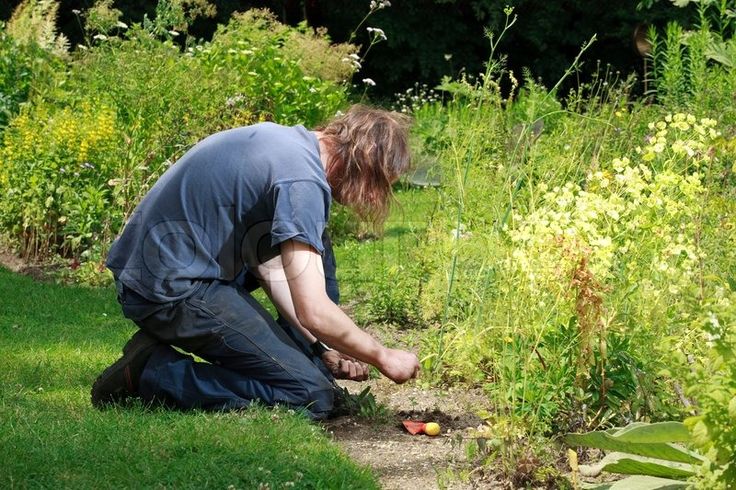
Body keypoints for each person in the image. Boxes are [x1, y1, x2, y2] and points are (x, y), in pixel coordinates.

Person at [91, 104, 420, 419]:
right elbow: (313, 310)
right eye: (381, 184)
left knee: (317, 246)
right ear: (365, 166)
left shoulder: (291, 145)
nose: (374, 197)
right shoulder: (302, 185)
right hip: (171, 292)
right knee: (309, 397)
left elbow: (272, 268)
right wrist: (383, 356)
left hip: (164, 275)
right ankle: (151, 373)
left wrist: (323, 347)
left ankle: (306, 369)